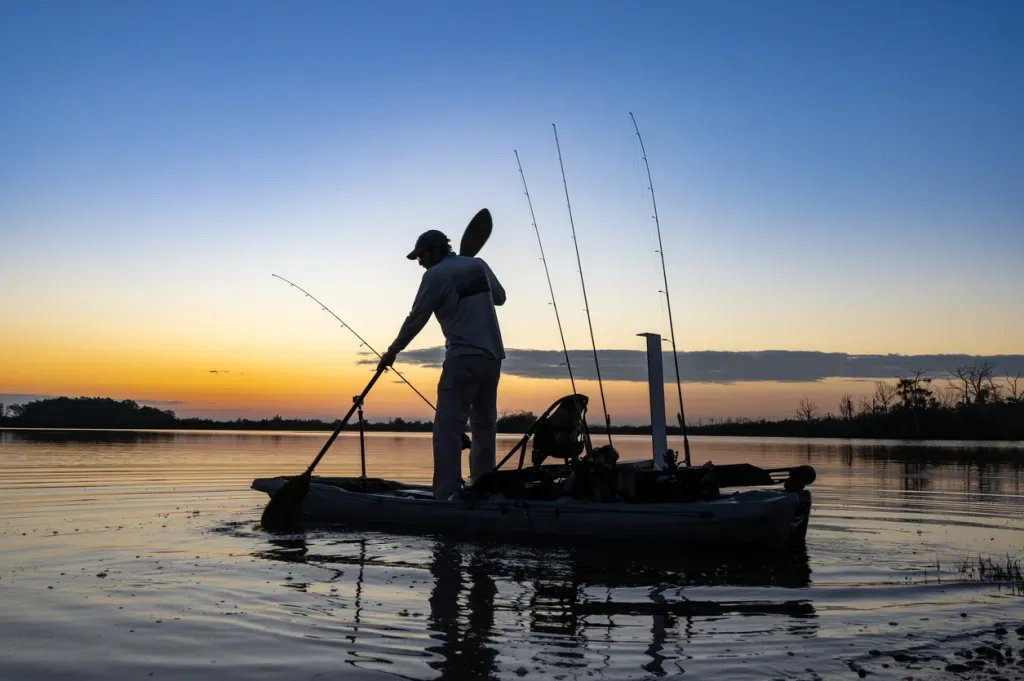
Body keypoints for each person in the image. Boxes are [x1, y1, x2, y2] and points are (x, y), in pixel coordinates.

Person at [377, 229, 506, 500]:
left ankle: (446, 494)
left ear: (435, 250)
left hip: (463, 357)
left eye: (421, 256)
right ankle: (484, 488)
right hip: (492, 357)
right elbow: (500, 297)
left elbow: (417, 317)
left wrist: (393, 350)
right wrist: (470, 276)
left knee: (448, 427)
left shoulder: (435, 276)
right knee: (484, 425)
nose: (419, 262)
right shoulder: (478, 265)